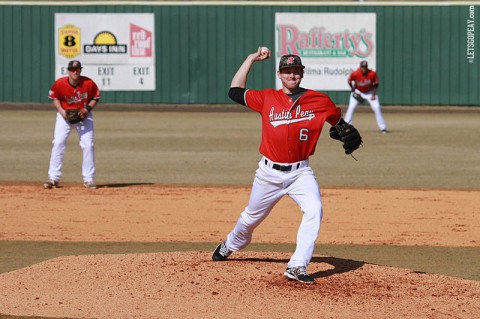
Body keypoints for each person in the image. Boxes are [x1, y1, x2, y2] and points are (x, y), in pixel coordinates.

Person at [212, 47, 362, 284]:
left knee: (314, 210)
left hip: (300, 172)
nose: (292, 76)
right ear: (279, 74)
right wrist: (251, 58)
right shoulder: (267, 98)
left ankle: (297, 265)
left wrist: (347, 132)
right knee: (251, 218)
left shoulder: (319, 101)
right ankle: (230, 244)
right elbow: (234, 91)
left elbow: (340, 125)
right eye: (287, 71)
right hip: (268, 173)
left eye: (296, 71)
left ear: (302, 74)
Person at [43, 60, 101, 189]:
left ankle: (89, 179)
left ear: (80, 70)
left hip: (84, 117)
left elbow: (96, 97)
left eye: (78, 69)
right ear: (68, 71)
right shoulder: (60, 83)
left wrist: (87, 110)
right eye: (73, 69)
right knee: (58, 143)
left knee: (88, 145)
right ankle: (53, 178)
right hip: (65, 116)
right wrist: (62, 111)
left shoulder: (88, 83)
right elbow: (54, 97)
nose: (76, 72)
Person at [345, 60, 387, 133]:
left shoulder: (372, 73)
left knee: (377, 107)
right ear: (360, 67)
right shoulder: (355, 73)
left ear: (367, 68)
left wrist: (373, 94)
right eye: (362, 67)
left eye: (365, 67)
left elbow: (376, 84)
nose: (364, 68)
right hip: (358, 91)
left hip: (370, 92)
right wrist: (353, 89)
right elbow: (349, 81)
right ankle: (346, 127)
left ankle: (383, 128)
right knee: (351, 107)